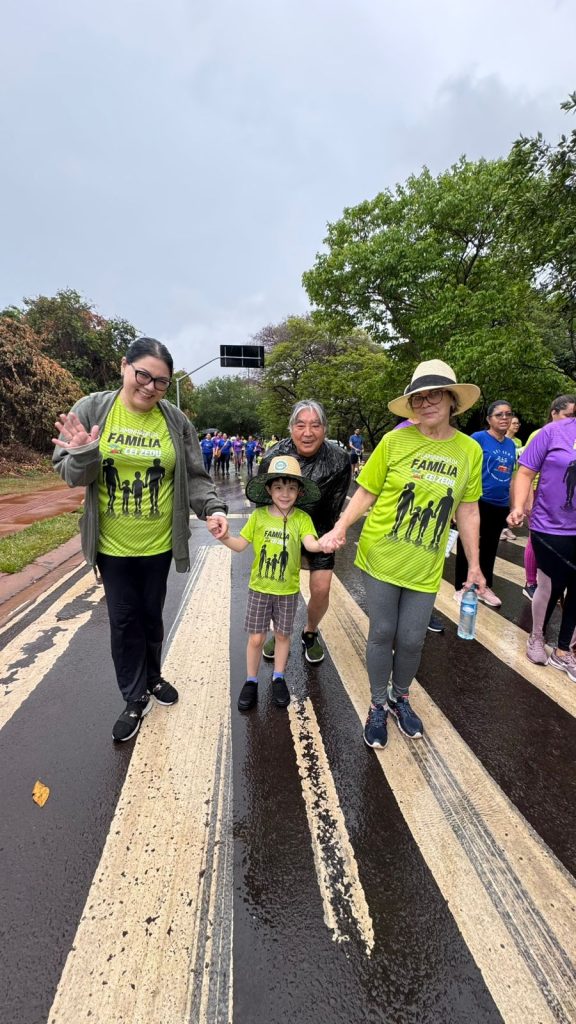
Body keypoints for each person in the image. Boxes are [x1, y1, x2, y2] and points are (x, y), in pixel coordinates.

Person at [52, 336, 228, 742]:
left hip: (159, 545)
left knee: (152, 619)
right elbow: (70, 475)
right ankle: (134, 697)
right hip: (112, 547)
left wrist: (214, 509)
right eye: (143, 375)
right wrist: (84, 452)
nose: (150, 387)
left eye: (161, 381)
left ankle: (153, 678)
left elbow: (195, 477)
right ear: (124, 367)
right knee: (123, 622)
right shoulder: (94, 409)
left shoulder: (175, 420)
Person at [320, 360, 484, 749]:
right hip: (381, 555)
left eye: (434, 395)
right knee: (382, 632)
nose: (426, 404)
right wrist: (340, 528)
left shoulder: (469, 450)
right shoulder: (395, 442)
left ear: (451, 401)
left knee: (411, 640)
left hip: (425, 562)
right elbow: (367, 491)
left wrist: (475, 565)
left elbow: (468, 509)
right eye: (418, 398)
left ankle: (401, 697)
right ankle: (378, 703)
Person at [218, 455, 322, 710]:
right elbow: (240, 545)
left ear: (299, 491)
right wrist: (224, 537)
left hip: (287, 591)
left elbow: (311, 543)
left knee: (283, 636)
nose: (285, 494)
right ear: (269, 489)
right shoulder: (259, 517)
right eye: (278, 487)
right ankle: (251, 681)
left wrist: (325, 543)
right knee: (256, 640)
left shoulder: (302, 519)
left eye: (291, 488)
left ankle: (278, 677)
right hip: (259, 590)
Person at [257, 400, 352, 664]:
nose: (307, 432)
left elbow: (336, 502)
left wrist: (333, 534)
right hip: (281, 530)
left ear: (324, 429)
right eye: (300, 425)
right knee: (278, 588)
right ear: (291, 429)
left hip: (319, 528)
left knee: (321, 589)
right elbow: (262, 503)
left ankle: (310, 632)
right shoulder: (273, 458)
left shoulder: (339, 459)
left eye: (315, 425)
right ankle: (279, 631)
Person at [509, 407, 576, 671]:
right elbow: (525, 471)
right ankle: (537, 636)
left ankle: (564, 649)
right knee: (551, 582)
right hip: (550, 525)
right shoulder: (553, 431)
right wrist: (518, 506)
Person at [454, 400, 516, 609]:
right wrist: (456, 505)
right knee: (469, 545)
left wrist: (515, 506)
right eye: (499, 415)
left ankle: (484, 586)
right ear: (489, 419)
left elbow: (513, 476)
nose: (505, 418)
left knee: (490, 547)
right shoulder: (478, 438)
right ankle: (463, 586)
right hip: (477, 502)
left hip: (500, 504)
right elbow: (463, 469)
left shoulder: (510, 444)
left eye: (508, 414)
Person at [519, 395, 576, 600]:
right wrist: (527, 499)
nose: (571, 420)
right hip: (538, 494)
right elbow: (527, 470)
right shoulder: (542, 433)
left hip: (561, 501)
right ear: (554, 413)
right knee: (536, 540)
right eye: (567, 415)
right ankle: (531, 581)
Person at [501, 415, 522, 541]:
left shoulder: (518, 441)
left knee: (510, 502)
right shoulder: (502, 439)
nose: (516, 425)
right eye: (514, 423)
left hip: (514, 473)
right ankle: (501, 528)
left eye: (517, 423)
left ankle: (507, 527)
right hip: (503, 473)